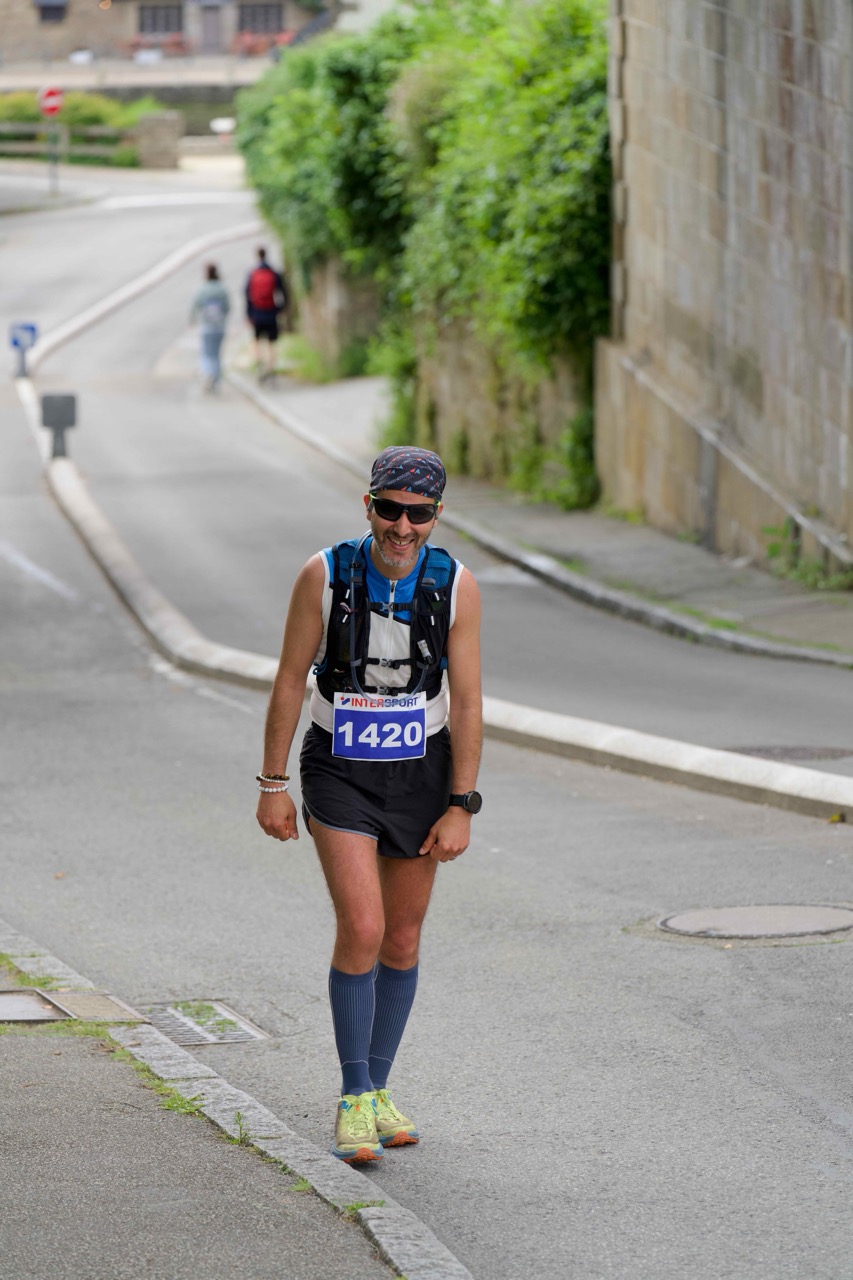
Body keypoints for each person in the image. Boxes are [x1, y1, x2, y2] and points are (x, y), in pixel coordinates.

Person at [256, 446, 483, 1165]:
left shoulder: (455, 584)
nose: (402, 527)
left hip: (421, 774)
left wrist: (462, 803)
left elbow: (468, 701)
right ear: (369, 505)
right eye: (390, 509)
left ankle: (379, 1089)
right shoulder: (323, 574)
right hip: (339, 770)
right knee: (362, 925)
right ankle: (354, 1096)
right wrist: (272, 784)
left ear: (436, 516)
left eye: (419, 514)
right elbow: (290, 678)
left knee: (402, 939)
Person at [245, 246, 289, 381]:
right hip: (271, 313)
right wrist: (280, 309)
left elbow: (247, 295)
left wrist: (249, 314)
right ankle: (271, 369)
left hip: (257, 314)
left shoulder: (252, 274)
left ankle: (259, 365)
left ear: (257, 256)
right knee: (271, 343)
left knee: (256, 341)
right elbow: (283, 293)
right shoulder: (274, 273)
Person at [189, 263, 230, 393]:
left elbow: (195, 305)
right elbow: (228, 307)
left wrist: (193, 320)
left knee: (207, 353)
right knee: (217, 354)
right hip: (219, 326)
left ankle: (208, 374)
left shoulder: (202, 289)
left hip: (206, 326)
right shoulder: (222, 289)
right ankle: (216, 379)